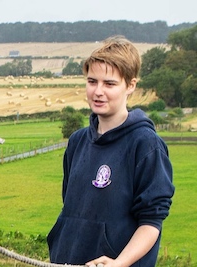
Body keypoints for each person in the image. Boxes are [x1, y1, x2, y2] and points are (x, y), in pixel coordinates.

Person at [47, 36, 175, 267]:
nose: (98, 91)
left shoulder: (146, 144)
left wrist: (119, 263)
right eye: (92, 81)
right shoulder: (77, 142)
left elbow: (151, 222)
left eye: (109, 84)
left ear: (131, 85)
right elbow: (71, 207)